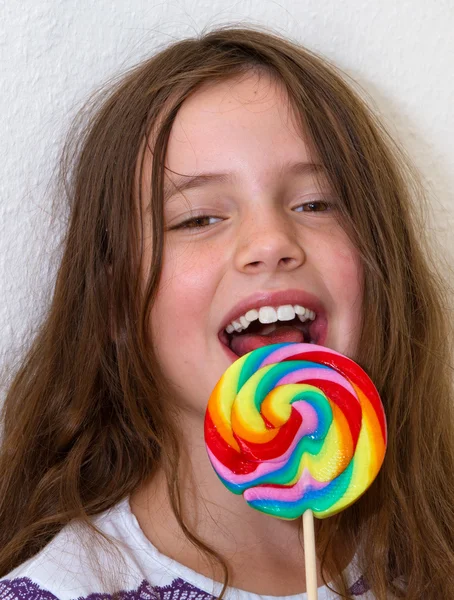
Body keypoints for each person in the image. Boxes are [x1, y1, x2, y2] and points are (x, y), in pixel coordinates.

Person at [0, 24, 453, 600]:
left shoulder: (429, 565)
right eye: (198, 218)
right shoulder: (61, 590)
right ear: (114, 303)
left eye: (316, 202)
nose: (270, 241)